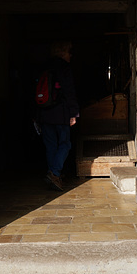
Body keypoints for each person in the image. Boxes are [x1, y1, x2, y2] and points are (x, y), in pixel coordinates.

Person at [37, 40, 79, 191]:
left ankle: (54, 176)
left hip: (45, 113)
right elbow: (69, 92)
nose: (70, 55)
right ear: (62, 52)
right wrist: (74, 113)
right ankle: (54, 173)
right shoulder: (64, 68)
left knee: (50, 146)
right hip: (61, 112)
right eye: (69, 52)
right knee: (65, 144)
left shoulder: (44, 66)